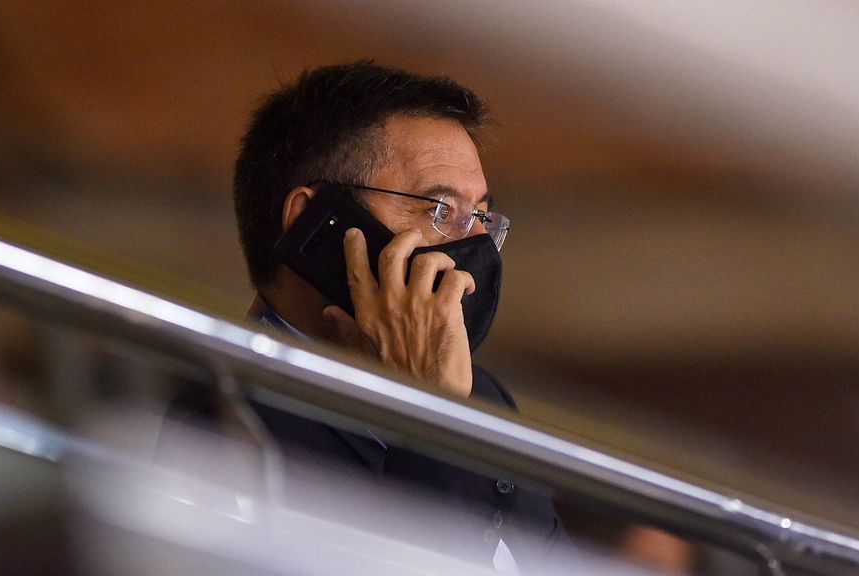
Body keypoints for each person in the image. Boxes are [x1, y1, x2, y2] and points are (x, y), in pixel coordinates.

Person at [170, 61, 569, 572]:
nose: (471, 259)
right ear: (316, 225)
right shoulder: (226, 431)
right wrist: (433, 416)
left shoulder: (482, 395)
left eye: (481, 218)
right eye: (440, 211)